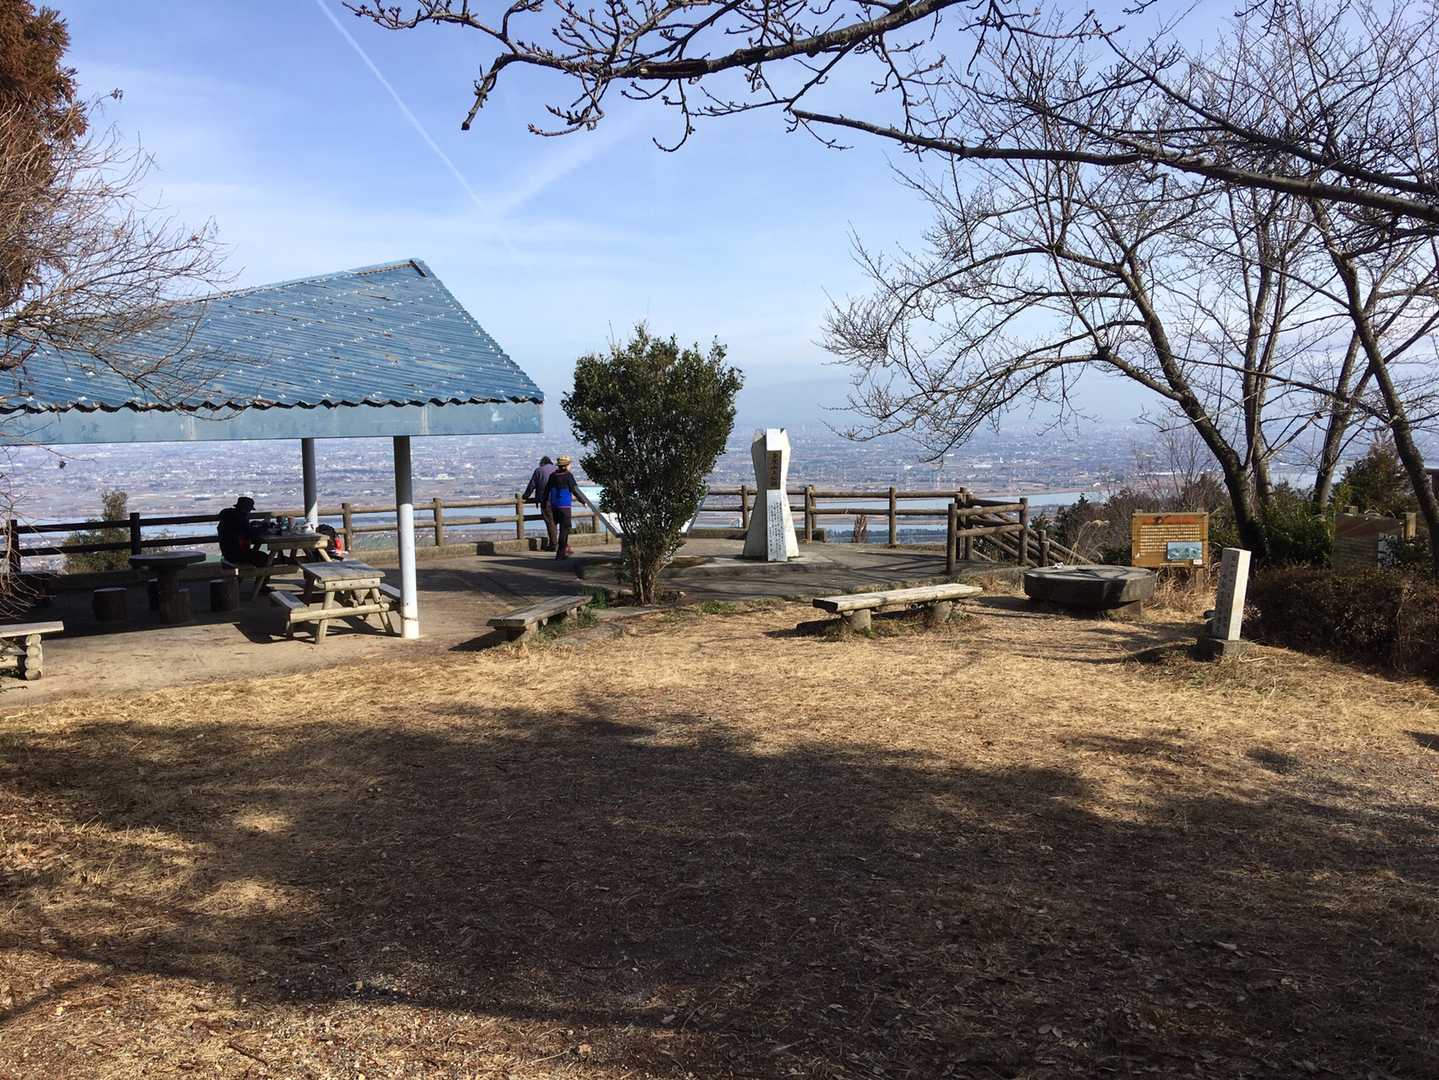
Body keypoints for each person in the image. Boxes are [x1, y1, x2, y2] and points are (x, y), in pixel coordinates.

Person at [542, 456, 581, 559]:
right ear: (566, 466)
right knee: (565, 529)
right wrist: (582, 501)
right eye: (570, 464)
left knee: (558, 527)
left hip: (554, 505)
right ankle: (560, 553)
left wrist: (544, 502)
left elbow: (546, 490)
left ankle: (562, 551)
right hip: (565, 506)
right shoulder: (568, 476)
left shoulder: (553, 475)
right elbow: (575, 490)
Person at [216, 496, 271, 567]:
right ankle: (260, 574)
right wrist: (265, 526)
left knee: (258, 555)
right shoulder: (240, 519)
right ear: (245, 509)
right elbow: (251, 533)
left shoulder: (228, 516)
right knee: (264, 558)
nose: (249, 512)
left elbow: (243, 529)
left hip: (227, 554)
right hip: (237, 555)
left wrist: (252, 524)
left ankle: (254, 573)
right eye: (249, 510)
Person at [523, 455, 558, 550]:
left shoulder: (539, 470)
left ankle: (554, 545)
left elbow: (532, 485)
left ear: (542, 463)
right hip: (558, 500)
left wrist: (525, 496)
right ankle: (556, 543)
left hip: (546, 500)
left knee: (550, 522)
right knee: (555, 522)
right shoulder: (556, 469)